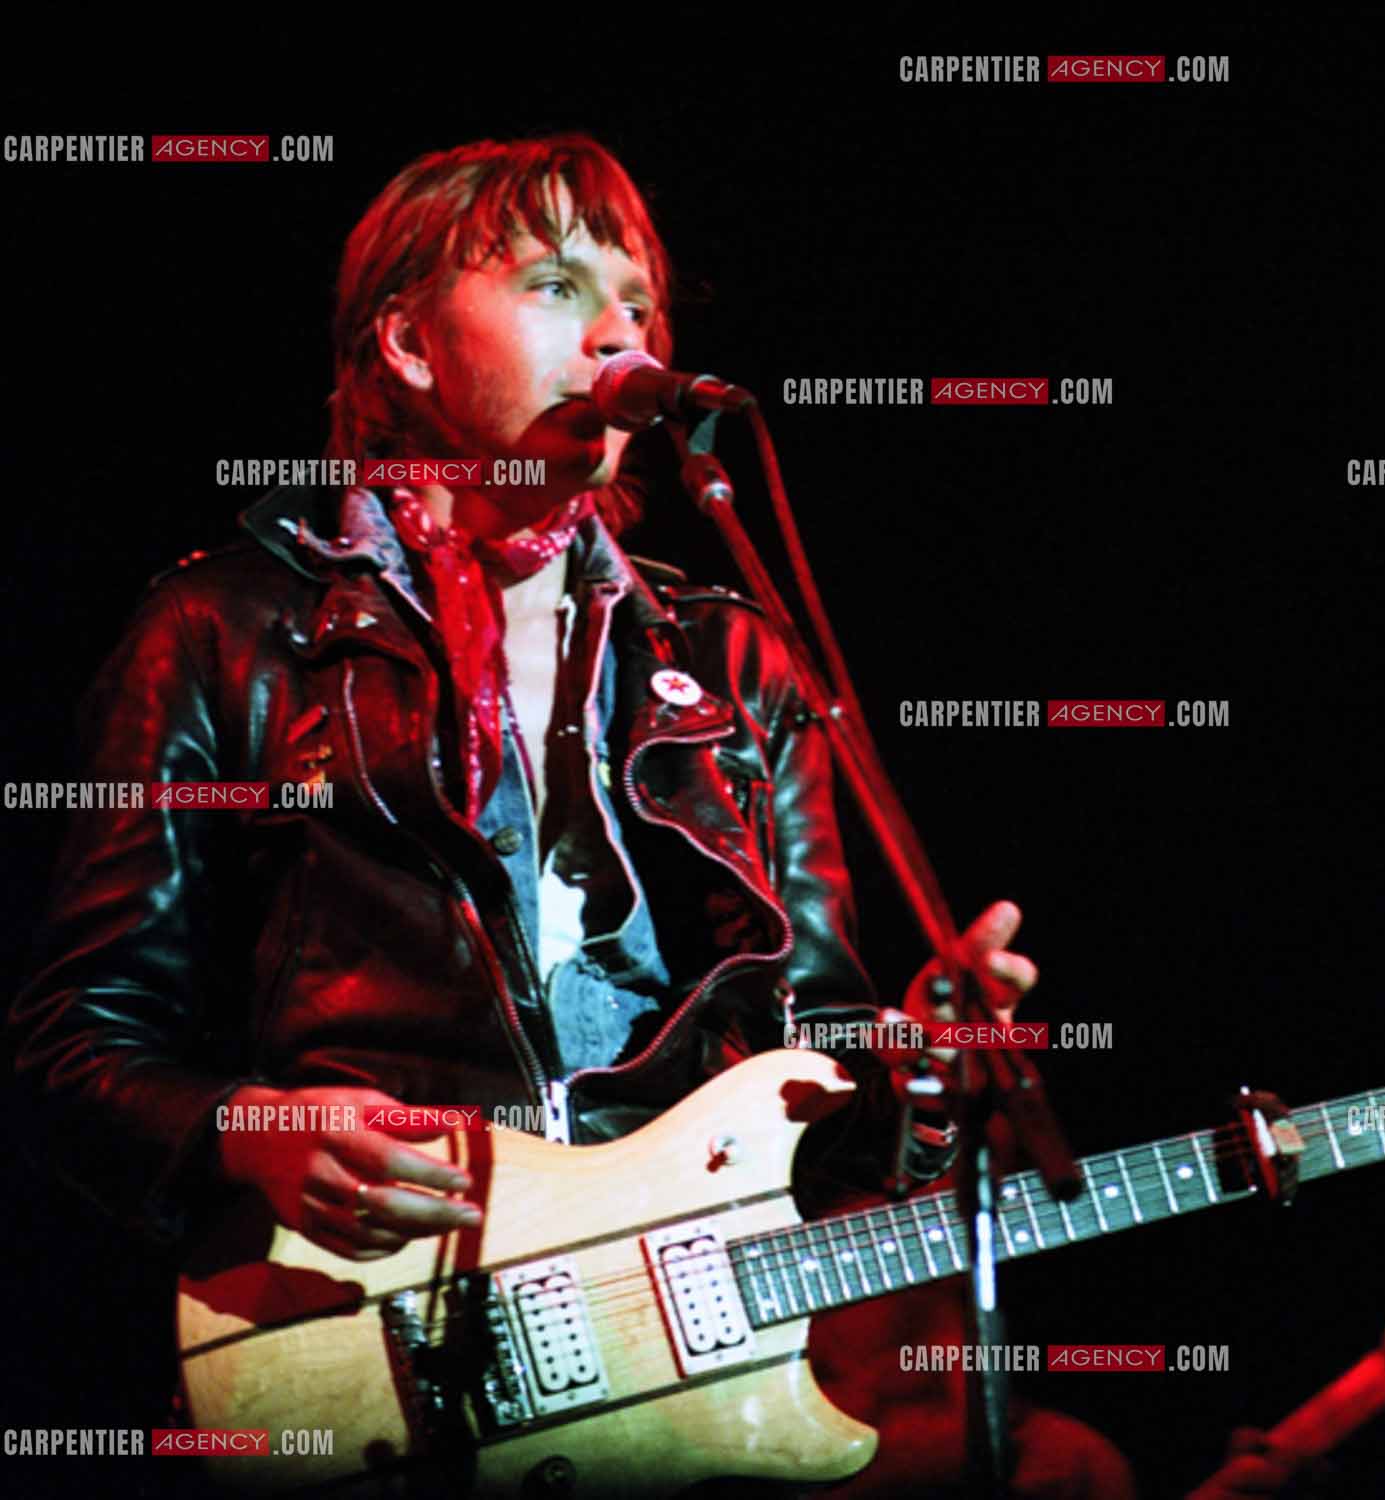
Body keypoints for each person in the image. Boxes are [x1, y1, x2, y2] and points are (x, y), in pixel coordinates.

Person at [6, 131, 1132, 1499]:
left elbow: (813, 1084)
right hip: (366, 1344)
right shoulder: (226, 631)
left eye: (640, 302)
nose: (618, 330)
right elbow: (72, 1045)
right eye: (553, 283)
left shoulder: (736, 665)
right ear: (411, 347)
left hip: (668, 1374)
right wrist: (253, 1131)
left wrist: (918, 1070)